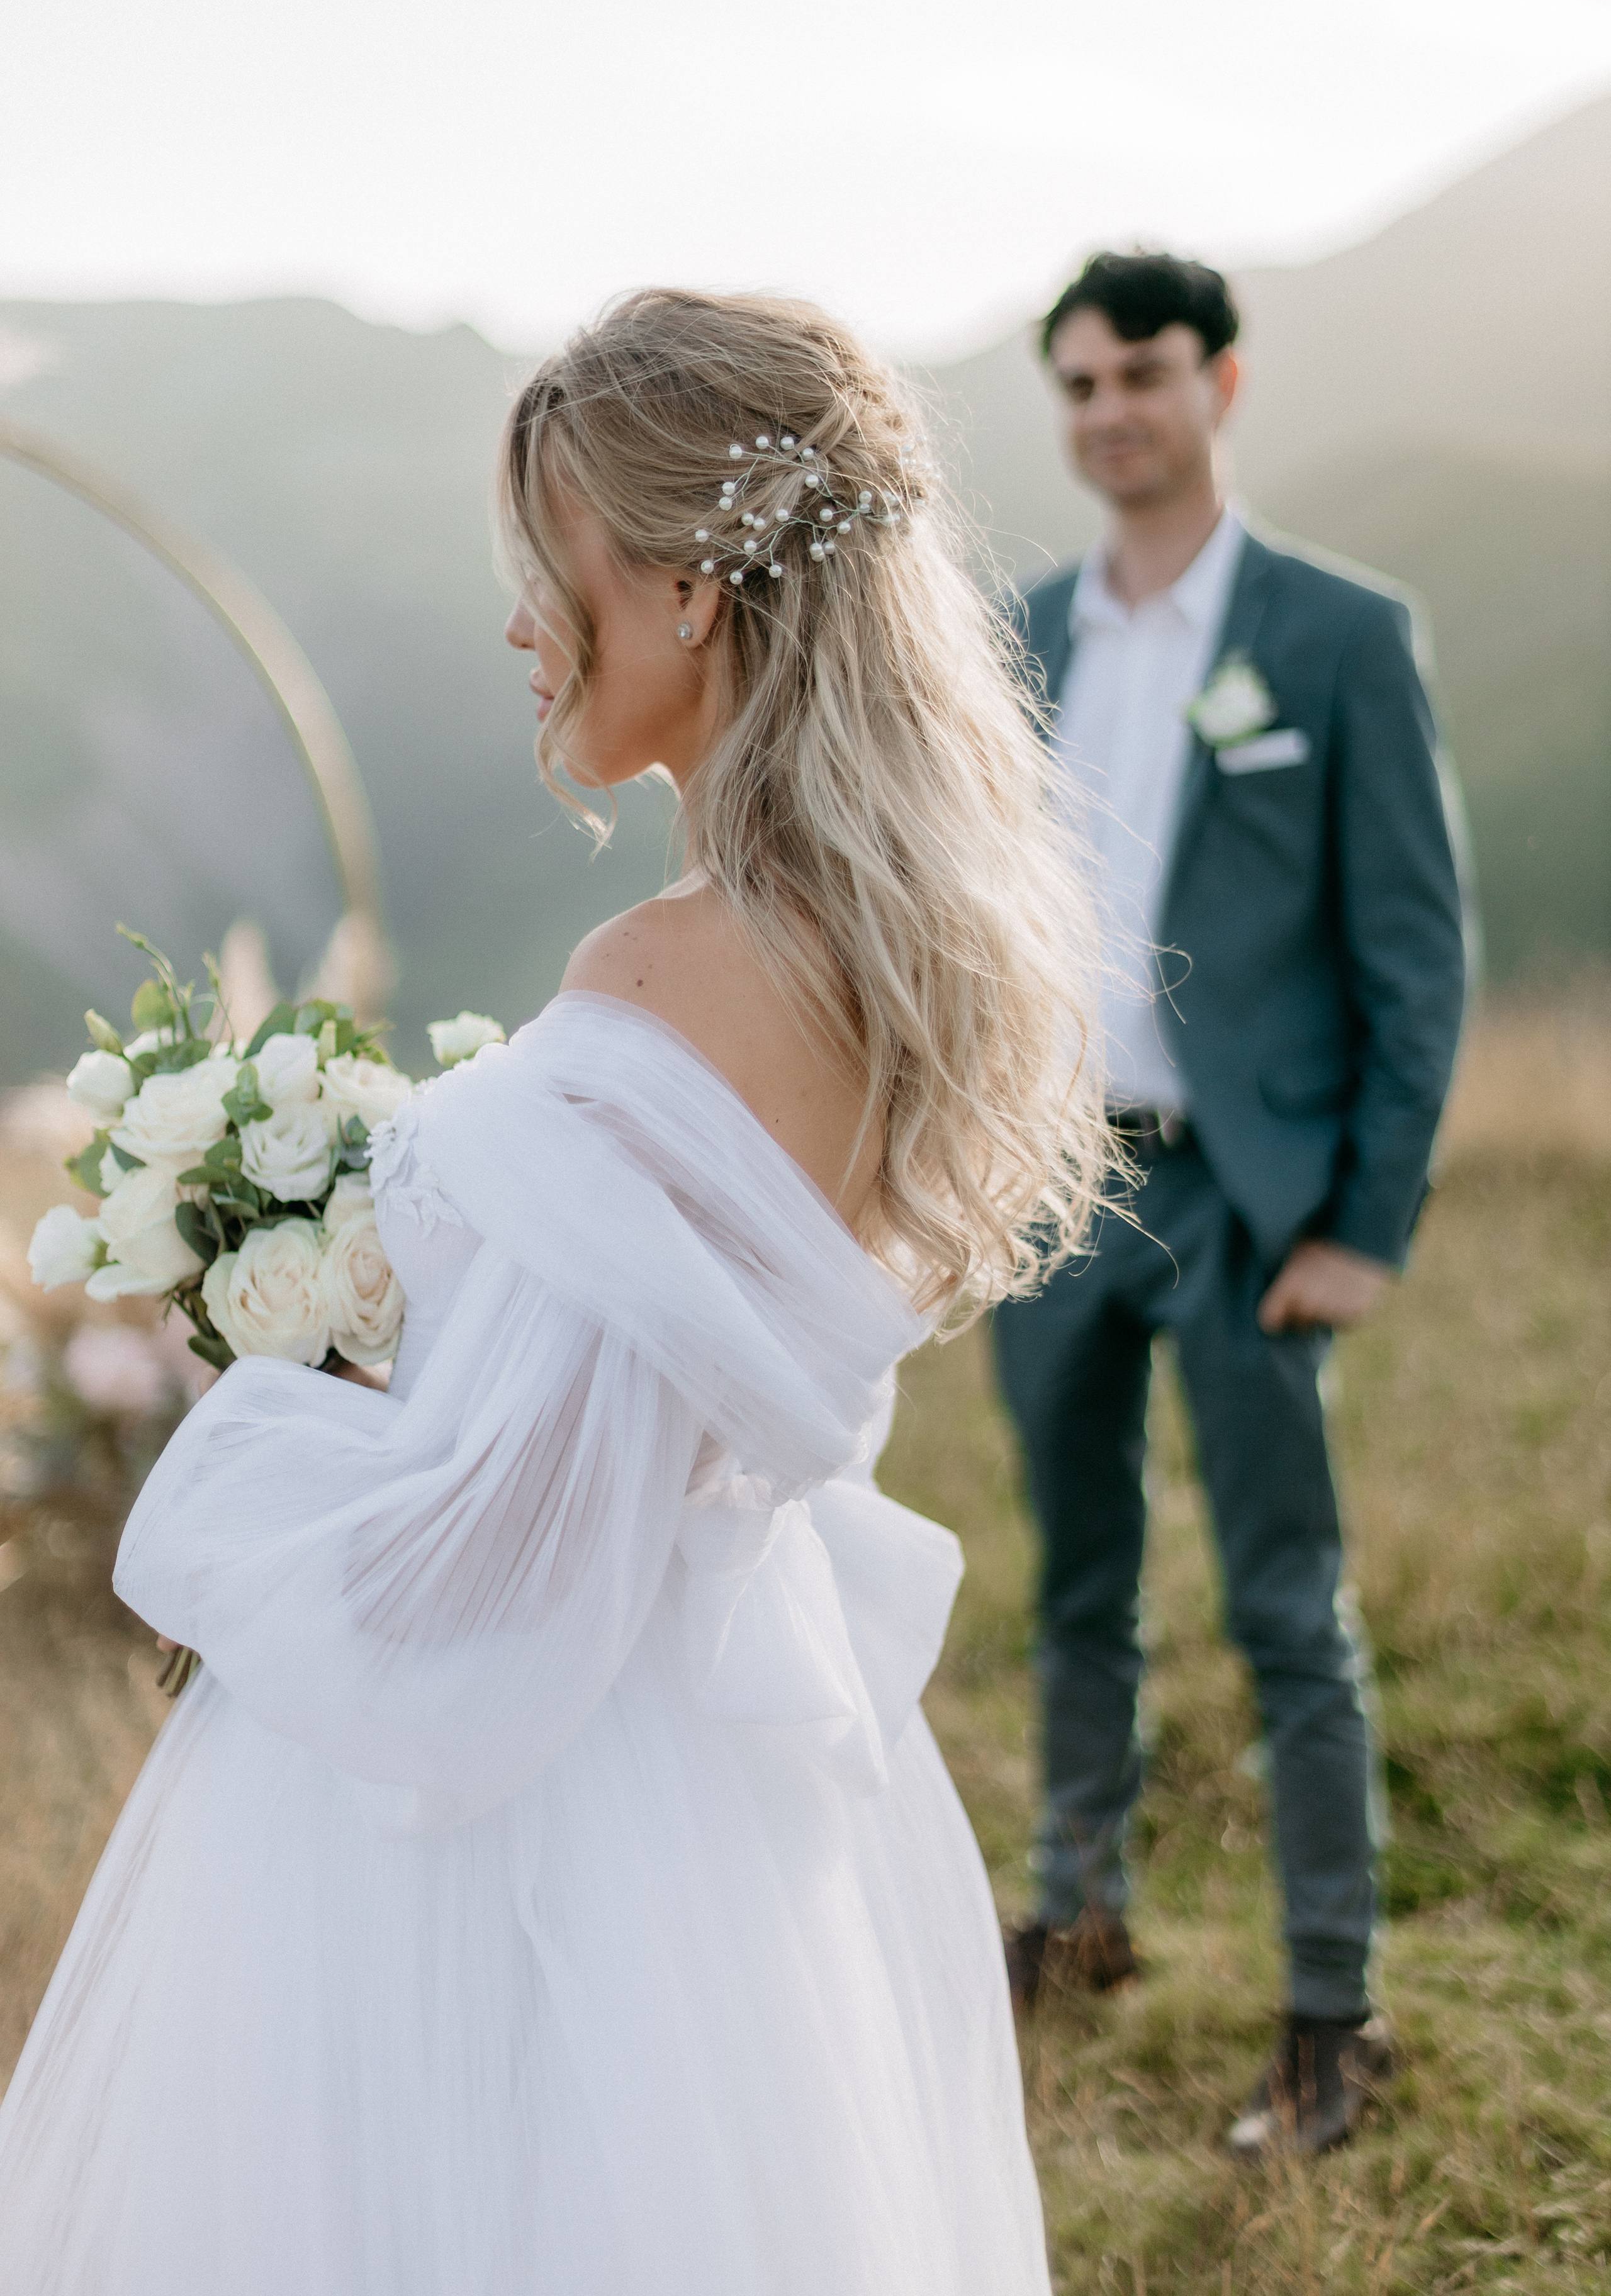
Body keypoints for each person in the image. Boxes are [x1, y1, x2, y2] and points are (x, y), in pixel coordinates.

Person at [0, 289, 1111, 2295]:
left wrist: (247, 1458)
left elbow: (504, 1567)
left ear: (686, 586)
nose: (521, 615)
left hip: (532, 1844)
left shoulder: (669, 979)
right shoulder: (864, 964)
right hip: (732, 1804)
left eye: (553, 559)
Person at [995, 252, 1469, 2156]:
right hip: (1055, 1188)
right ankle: (1083, 1909)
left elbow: (1416, 952)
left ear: (1222, 385)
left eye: (1146, 374)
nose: (1112, 409)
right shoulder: (1028, 637)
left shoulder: (1336, 635)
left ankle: (1330, 2016)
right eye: (1083, 382)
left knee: (1288, 1612)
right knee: (1076, 1582)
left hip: (1258, 1200)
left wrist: (1365, 1222)